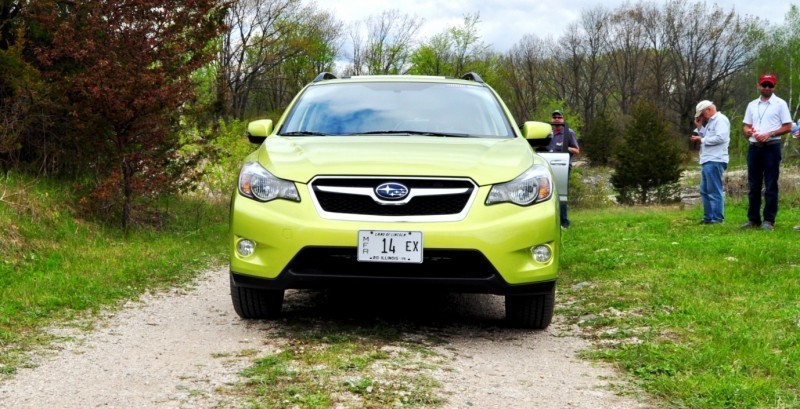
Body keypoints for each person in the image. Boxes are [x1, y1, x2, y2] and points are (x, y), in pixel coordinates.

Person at [742, 73, 793, 231]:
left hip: (771, 146)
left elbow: (788, 126)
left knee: (771, 185)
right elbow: (745, 126)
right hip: (754, 147)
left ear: (774, 87)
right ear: (759, 85)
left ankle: (769, 220)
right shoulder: (752, 104)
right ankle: (753, 219)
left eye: (770, 85)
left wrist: (769, 133)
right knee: (753, 185)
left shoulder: (780, 104)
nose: (766, 88)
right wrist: (749, 132)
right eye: (764, 85)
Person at [690, 100, 729, 224]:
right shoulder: (712, 122)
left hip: (715, 159)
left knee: (714, 190)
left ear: (708, 110)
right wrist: (700, 127)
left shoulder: (720, 120)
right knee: (705, 190)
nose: (702, 117)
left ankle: (717, 219)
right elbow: (707, 137)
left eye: (702, 114)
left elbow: (720, 138)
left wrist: (702, 139)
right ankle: (709, 218)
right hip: (708, 159)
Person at [546, 109, 580, 228]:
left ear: (563, 119)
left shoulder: (568, 133)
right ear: (551, 119)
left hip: (562, 167)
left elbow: (577, 150)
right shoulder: (547, 132)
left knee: (561, 194)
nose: (556, 119)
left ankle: (564, 222)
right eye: (554, 117)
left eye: (559, 117)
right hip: (547, 166)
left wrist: (566, 147)